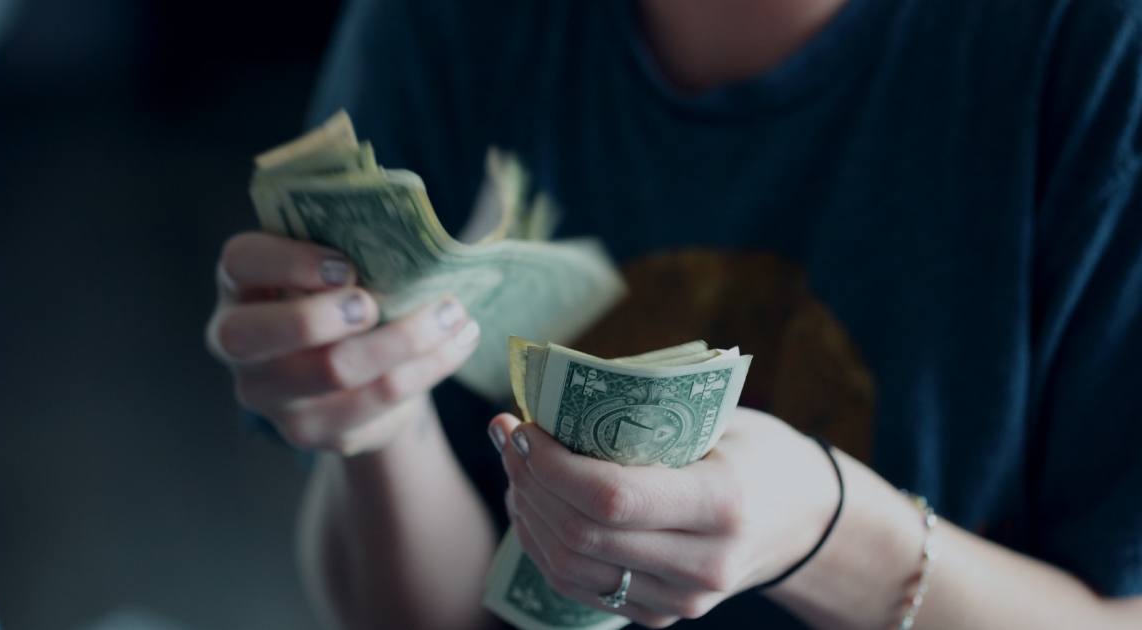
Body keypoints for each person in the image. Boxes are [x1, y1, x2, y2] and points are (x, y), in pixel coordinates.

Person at [205, 0, 1142, 628]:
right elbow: (434, 616)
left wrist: (836, 534)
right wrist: (377, 425)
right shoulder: (445, 21)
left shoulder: (1099, 50)